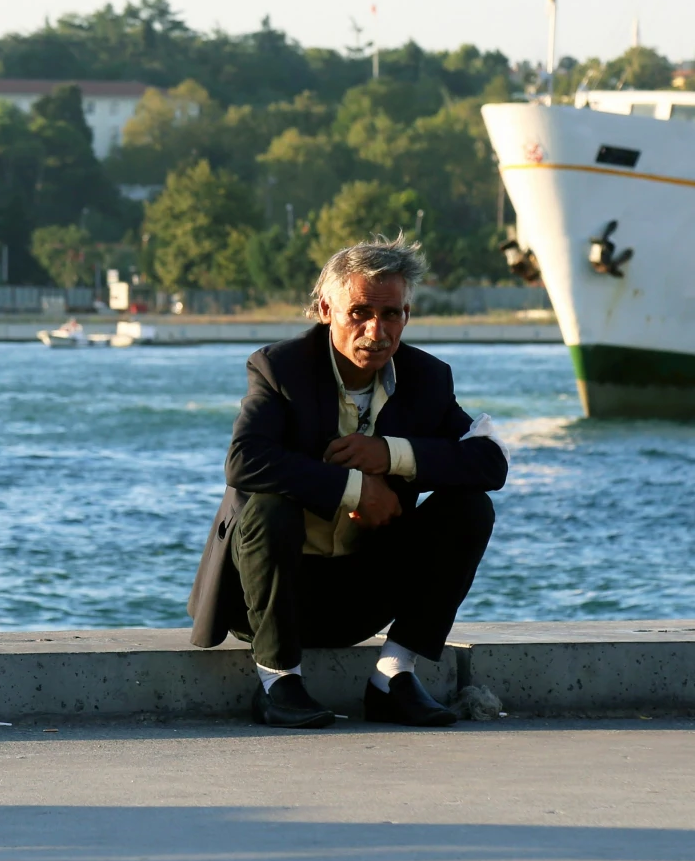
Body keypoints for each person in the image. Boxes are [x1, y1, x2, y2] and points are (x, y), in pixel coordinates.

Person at [187, 236, 508, 728]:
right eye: (359, 312)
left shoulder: (427, 378)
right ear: (326, 308)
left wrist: (390, 454)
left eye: (392, 314)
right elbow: (244, 461)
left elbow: (490, 463)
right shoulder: (280, 369)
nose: (376, 331)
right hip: (271, 597)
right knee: (268, 506)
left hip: (363, 594)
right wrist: (356, 490)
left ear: (407, 314)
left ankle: (392, 678)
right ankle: (278, 683)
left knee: (470, 508)